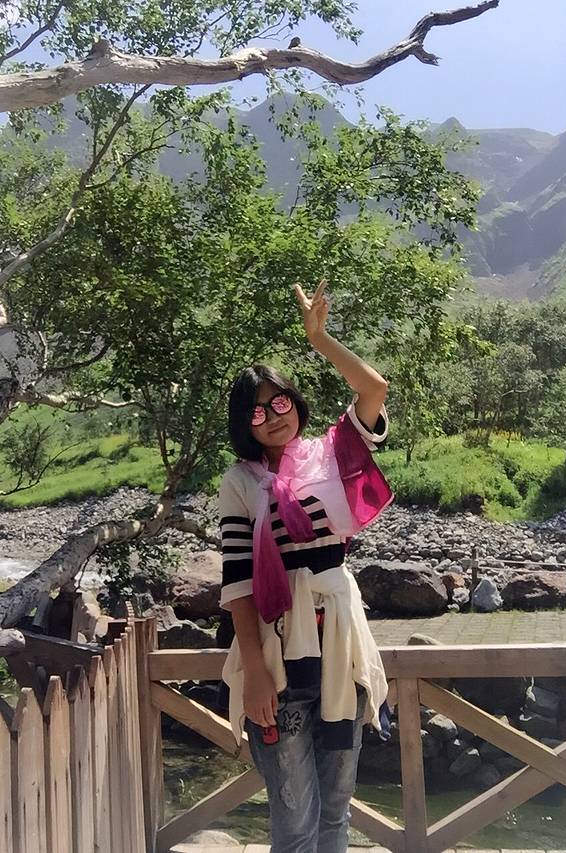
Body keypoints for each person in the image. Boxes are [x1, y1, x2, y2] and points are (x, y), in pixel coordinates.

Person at [218, 279, 394, 853]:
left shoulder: (332, 453)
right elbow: (238, 583)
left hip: (340, 647)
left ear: (295, 402)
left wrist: (319, 339)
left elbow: (374, 388)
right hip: (276, 654)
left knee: (336, 814)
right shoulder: (240, 483)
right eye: (257, 411)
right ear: (244, 425)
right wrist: (254, 672)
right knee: (295, 824)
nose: (272, 416)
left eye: (280, 402)